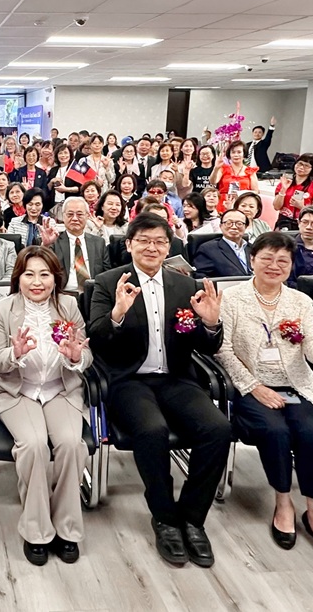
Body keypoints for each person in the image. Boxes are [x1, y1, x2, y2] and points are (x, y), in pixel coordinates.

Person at [88, 213, 228, 568]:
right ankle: (164, 518)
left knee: (218, 428)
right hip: (128, 380)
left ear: (169, 247)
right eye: (144, 240)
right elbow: (98, 341)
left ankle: (192, 518)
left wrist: (211, 323)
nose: (152, 247)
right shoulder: (107, 283)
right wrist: (118, 313)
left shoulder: (185, 284)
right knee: (152, 430)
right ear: (129, 244)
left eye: (160, 242)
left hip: (177, 378)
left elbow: (205, 347)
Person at [216, 233, 313, 569]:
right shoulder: (231, 298)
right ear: (252, 260)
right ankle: (283, 501)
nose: (274, 266)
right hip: (250, 385)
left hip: (295, 384)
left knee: (311, 432)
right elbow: (223, 351)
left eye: (282, 261)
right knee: (275, 431)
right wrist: (254, 386)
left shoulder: (300, 301)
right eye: (267, 258)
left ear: (290, 266)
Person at [0, 246, 91, 565]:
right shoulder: (2, 309)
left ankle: (67, 527)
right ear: (18, 278)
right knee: (33, 445)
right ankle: (37, 531)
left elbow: (86, 354)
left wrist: (76, 357)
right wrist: (14, 353)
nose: (37, 282)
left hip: (60, 388)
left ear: (55, 278)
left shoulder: (68, 305)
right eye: (29, 274)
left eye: (44, 274)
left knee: (72, 444)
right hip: (16, 391)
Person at [49, 197, 109, 292]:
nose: (75, 218)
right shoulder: (54, 242)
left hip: (93, 294)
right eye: (70, 214)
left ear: (87, 216)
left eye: (79, 214)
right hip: (64, 294)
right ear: (63, 216)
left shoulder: (98, 243)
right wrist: (45, 244)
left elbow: (107, 274)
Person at [194, 208, 252, 278]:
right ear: (221, 226)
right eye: (229, 223)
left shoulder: (254, 248)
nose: (234, 227)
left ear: (246, 227)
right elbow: (200, 276)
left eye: (239, 223)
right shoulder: (208, 249)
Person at [273, 154, 313, 230]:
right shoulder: (285, 183)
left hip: (304, 224)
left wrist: (302, 207)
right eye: (300, 163)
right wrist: (283, 190)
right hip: (283, 222)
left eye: (306, 166)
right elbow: (276, 207)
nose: (301, 167)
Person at [213, 141, 259, 214]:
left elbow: (256, 191)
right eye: (233, 152)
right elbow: (213, 181)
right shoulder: (223, 168)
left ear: (244, 154)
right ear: (229, 154)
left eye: (239, 152)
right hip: (224, 203)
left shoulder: (250, 171)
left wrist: (240, 193)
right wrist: (216, 168)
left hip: (242, 204)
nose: (236, 155)